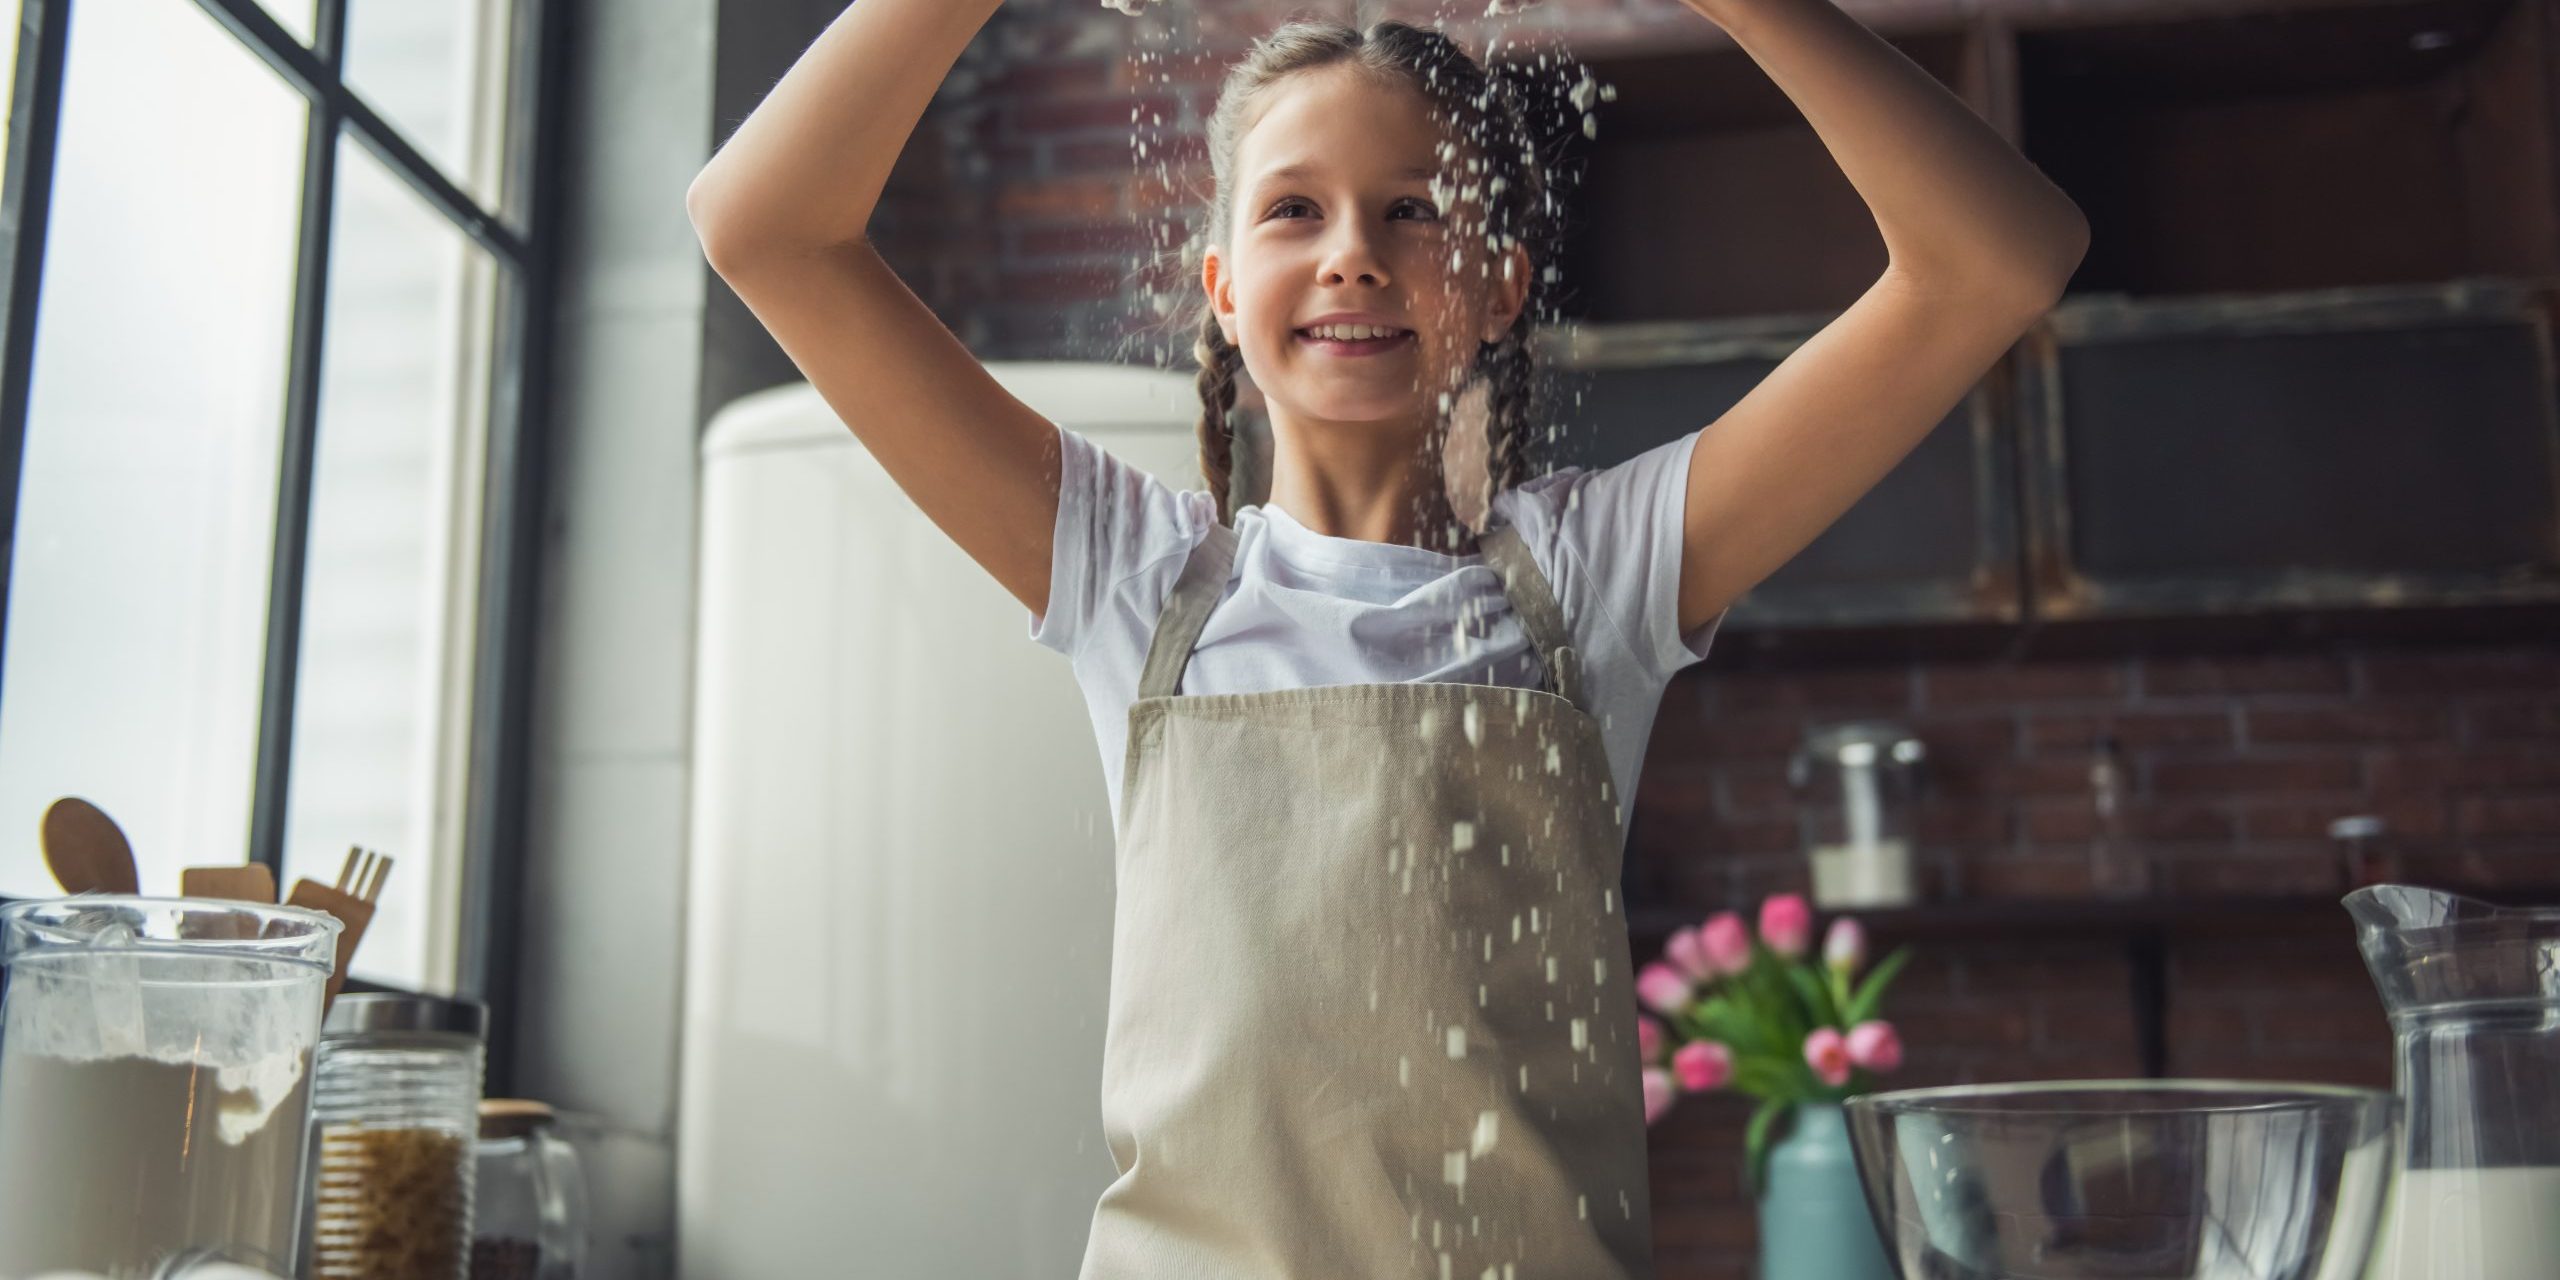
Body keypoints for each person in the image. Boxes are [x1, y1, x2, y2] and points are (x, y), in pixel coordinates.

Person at [687, 2, 2086, 1275]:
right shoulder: (1131, 575)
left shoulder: (1596, 579)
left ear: (1497, 285)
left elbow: (1999, 263)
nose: (1354, 252)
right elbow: (765, 228)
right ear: (1225, 290)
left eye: (1414, 210)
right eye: (1296, 210)